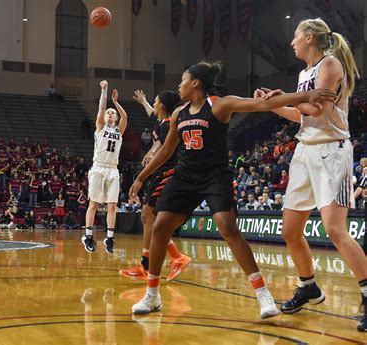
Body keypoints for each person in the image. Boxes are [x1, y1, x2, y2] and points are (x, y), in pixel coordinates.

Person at [128, 61, 335, 317]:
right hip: (185, 176)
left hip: (215, 175)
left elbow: (262, 104)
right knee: (159, 227)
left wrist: (306, 95)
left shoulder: (220, 104)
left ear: (195, 83)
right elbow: (166, 151)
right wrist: (141, 177)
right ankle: (152, 296)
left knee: (227, 226)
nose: (178, 85)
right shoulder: (179, 114)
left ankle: (263, 295)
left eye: (182, 80)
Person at [254, 17, 367, 331]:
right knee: (290, 231)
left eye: (295, 36)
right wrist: (276, 105)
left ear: (309, 38)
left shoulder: (330, 66)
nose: (292, 42)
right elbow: (301, 115)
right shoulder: (305, 73)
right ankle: (308, 286)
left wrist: (284, 98)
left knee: (334, 229)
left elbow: (316, 109)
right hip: (305, 151)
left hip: (332, 152)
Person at [120, 90, 191, 282]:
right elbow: (152, 112)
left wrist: (151, 152)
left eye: (155, 100)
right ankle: (176, 258)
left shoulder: (168, 125)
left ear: (162, 106)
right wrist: (143, 101)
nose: (154, 103)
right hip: (161, 173)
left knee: (147, 216)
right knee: (152, 221)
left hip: (167, 172)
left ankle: (146, 265)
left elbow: (161, 144)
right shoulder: (160, 120)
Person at [81, 80, 127, 254]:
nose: (109, 114)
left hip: (113, 169)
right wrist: (104, 92)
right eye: (108, 113)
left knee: (112, 206)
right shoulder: (100, 127)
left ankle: (109, 238)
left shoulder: (119, 130)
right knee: (93, 204)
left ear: (115, 118)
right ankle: (88, 236)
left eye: (112, 113)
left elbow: (126, 118)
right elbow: (101, 109)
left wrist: (116, 103)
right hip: (99, 167)